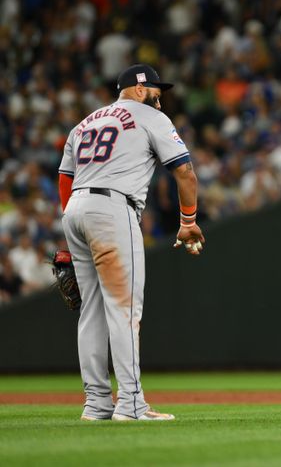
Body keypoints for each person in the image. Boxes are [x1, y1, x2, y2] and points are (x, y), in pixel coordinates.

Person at [58, 64, 205, 421]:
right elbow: (184, 172)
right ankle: (132, 404)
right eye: (156, 90)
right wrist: (188, 221)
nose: (161, 98)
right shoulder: (150, 116)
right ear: (139, 89)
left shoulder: (85, 122)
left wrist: (74, 223)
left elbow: (65, 176)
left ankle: (95, 404)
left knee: (91, 310)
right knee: (124, 310)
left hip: (76, 207)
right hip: (112, 209)